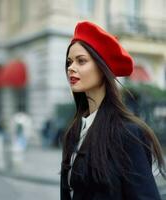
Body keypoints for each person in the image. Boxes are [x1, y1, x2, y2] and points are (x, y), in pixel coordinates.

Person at [60, 21, 165, 200]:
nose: (71, 67)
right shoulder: (74, 132)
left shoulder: (128, 134)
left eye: (81, 61)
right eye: (69, 62)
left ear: (102, 68)